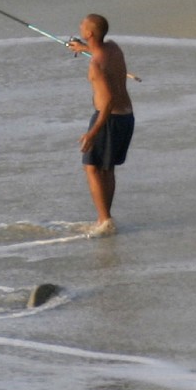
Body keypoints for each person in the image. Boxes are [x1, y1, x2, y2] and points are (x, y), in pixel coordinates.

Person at [68, 12, 134, 235]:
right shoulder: (113, 48)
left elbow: (107, 102)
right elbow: (100, 52)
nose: (79, 26)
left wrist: (92, 133)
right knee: (106, 168)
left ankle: (104, 220)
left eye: (82, 25)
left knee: (92, 168)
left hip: (109, 118)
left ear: (89, 33)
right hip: (126, 117)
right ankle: (105, 219)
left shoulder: (96, 65)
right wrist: (82, 48)